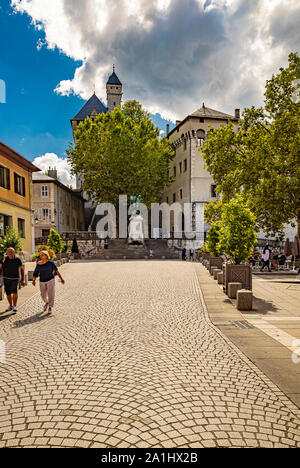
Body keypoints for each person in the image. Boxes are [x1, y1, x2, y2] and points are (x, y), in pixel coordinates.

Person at [0, 247, 25, 313]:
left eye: (11, 252)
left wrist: (22, 279)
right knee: (8, 292)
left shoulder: (17, 260)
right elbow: (0, 267)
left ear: (14, 252)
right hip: (6, 278)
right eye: (9, 252)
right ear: (7, 253)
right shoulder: (4, 259)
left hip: (15, 278)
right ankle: (10, 305)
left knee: (14, 292)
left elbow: (22, 269)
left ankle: (14, 306)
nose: (10, 253)